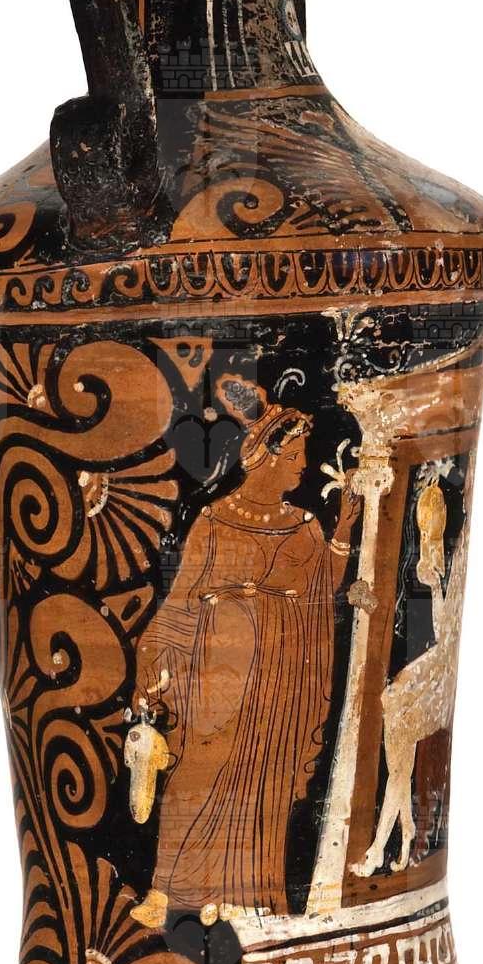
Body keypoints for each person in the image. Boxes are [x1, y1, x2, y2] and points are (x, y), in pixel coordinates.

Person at [129, 378, 359, 926]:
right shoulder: (213, 522)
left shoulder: (304, 526)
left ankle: (245, 895)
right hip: (219, 668)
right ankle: (166, 890)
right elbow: (184, 598)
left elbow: (321, 588)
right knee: (198, 770)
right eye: (296, 457)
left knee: (265, 781)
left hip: (281, 674)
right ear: (267, 459)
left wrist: (344, 529)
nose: (303, 469)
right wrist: (155, 657)